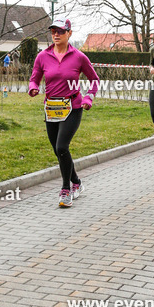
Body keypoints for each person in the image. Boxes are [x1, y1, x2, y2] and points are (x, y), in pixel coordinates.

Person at [28, 17, 99, 208]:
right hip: (51, 109)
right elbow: (34, 78)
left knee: (61, 147)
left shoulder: (79, 57)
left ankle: (66, 190)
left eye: (60, 31)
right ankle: (77, 182)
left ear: (69, 33)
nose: (56, 35)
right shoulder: (42, 56)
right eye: (53, 31)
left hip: (73, 107)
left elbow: (94, 79)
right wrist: (33, 87)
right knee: (59, 151)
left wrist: (88, 98)